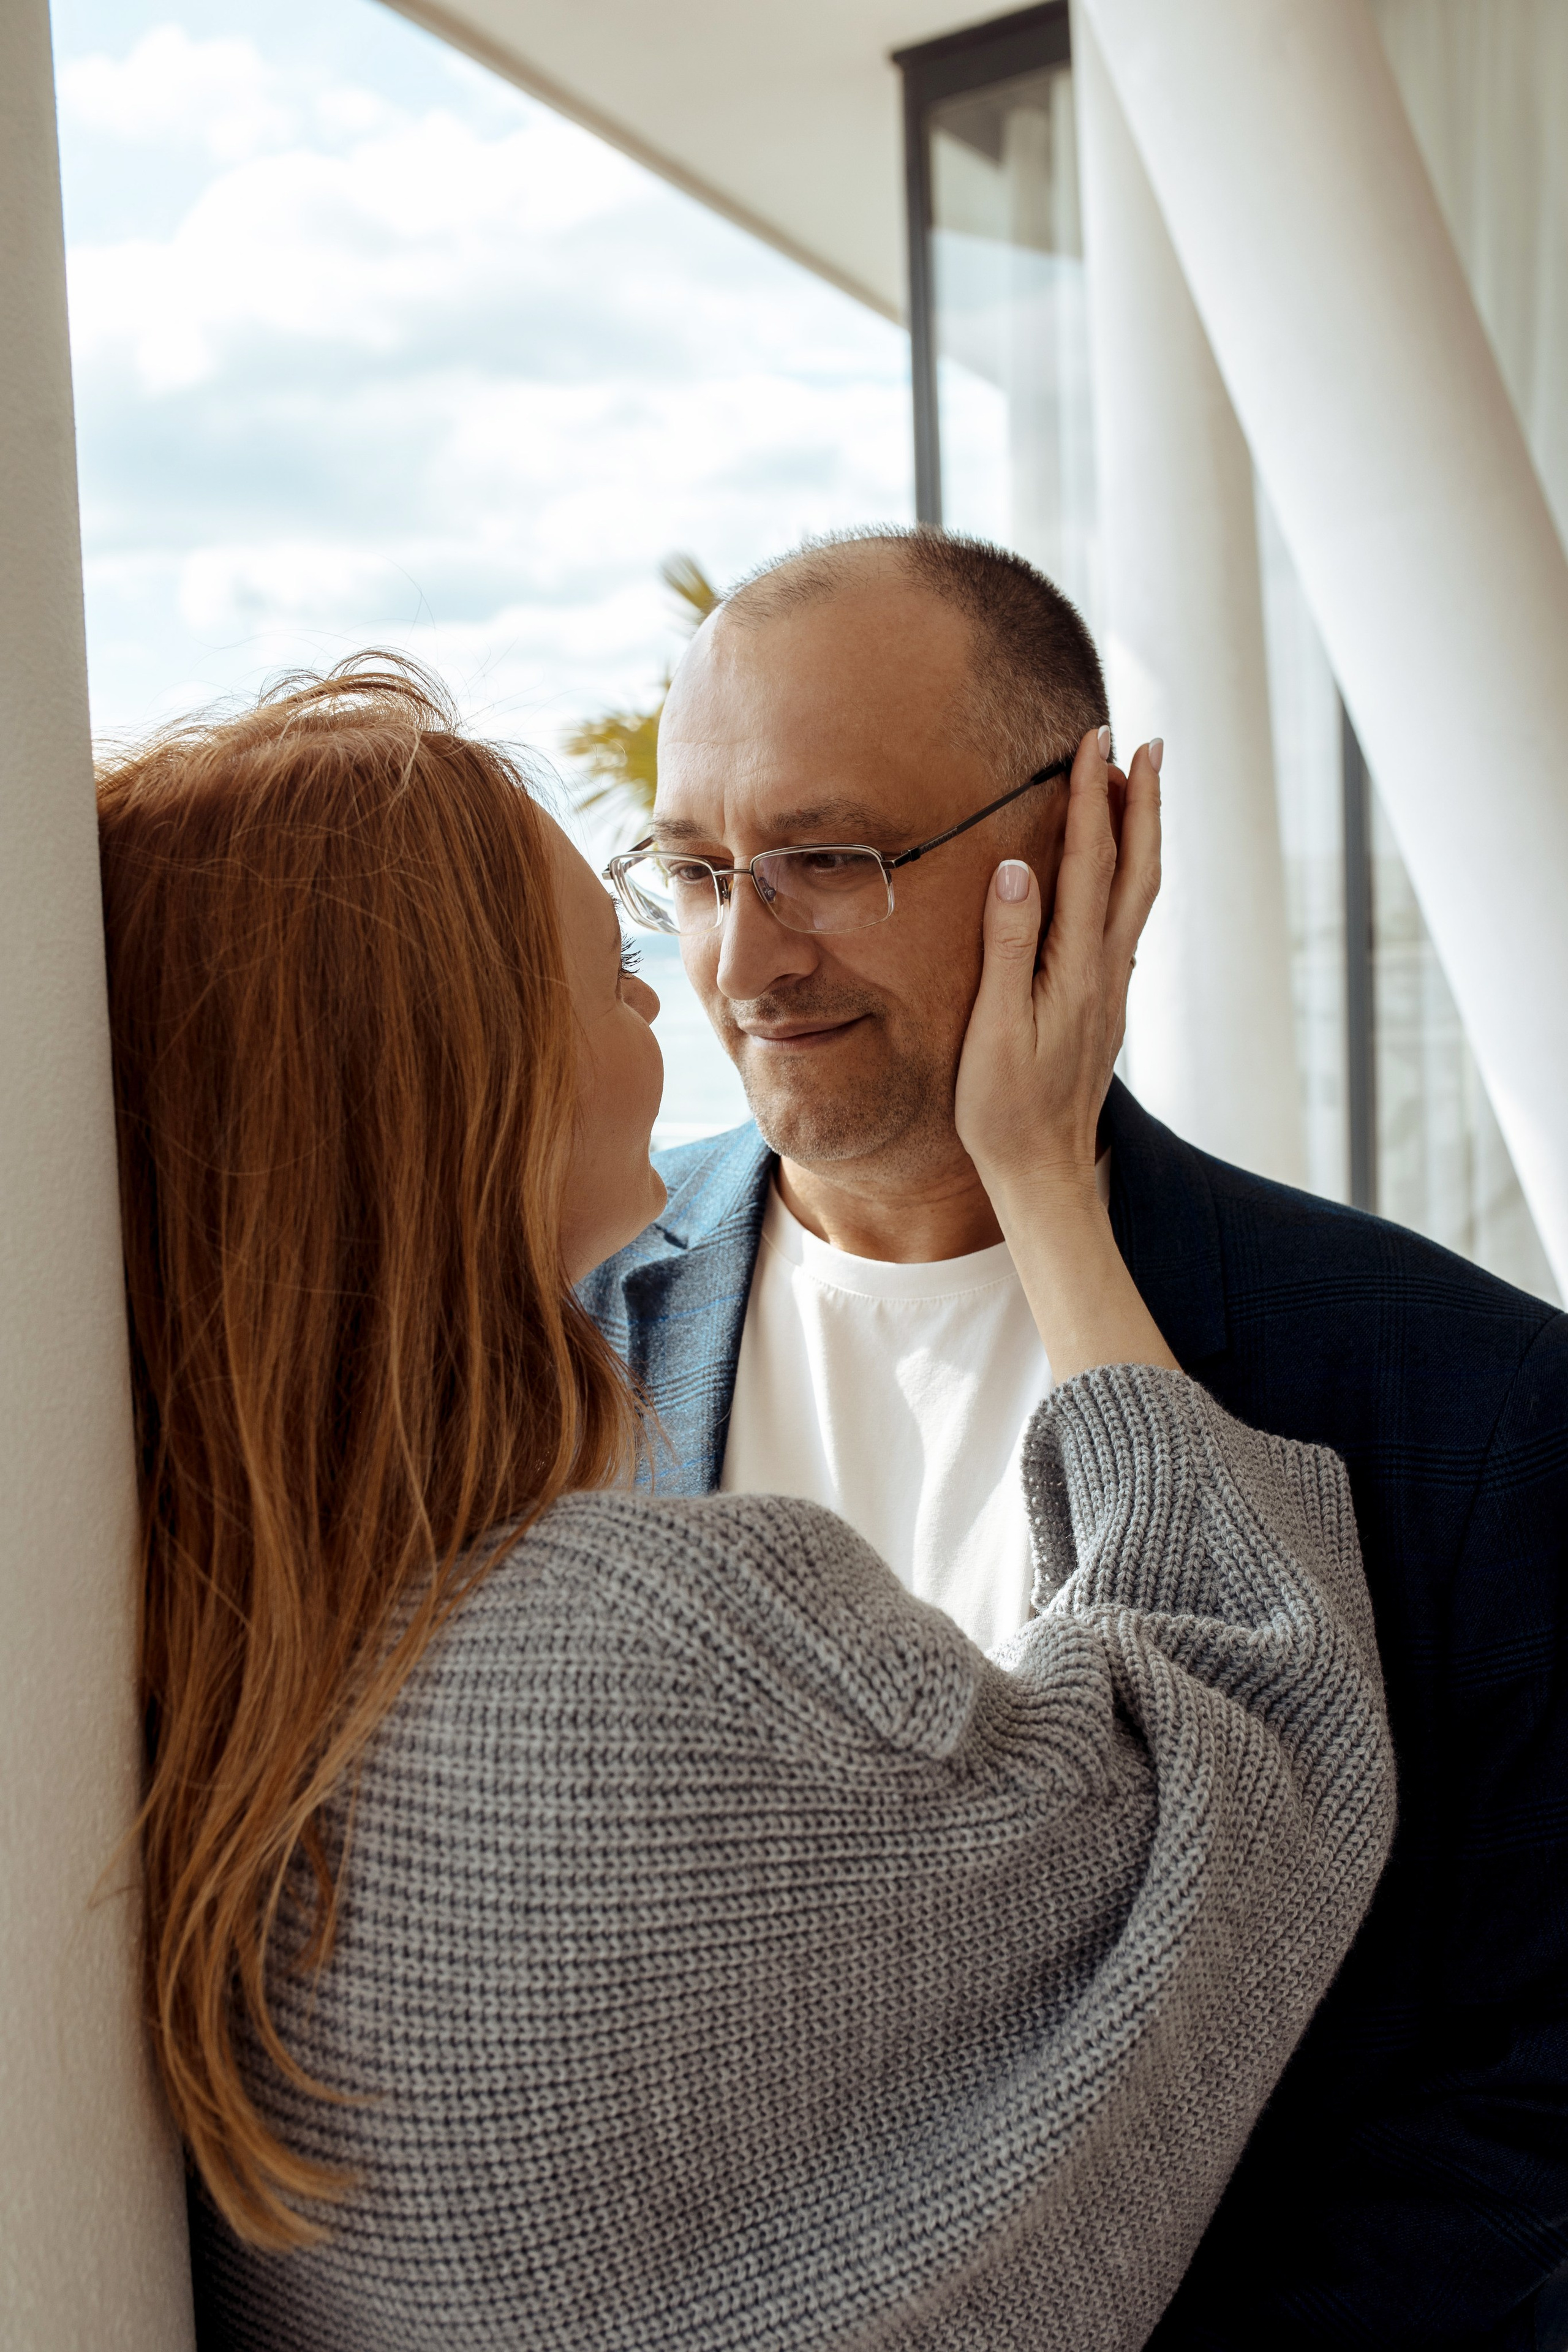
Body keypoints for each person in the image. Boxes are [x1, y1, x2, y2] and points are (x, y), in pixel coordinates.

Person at [99, 657, 1390, 2352]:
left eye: (822, 865)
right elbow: (1238, 1760)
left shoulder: (194, 1651)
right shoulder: (665, 1637)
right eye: (624, 949)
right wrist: (1047, 1179)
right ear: (439, 1081)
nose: (697, 981)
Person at [586, 526, 1568, 2348]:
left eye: (828, 857)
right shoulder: (538, 1337)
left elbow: (1530, 2102)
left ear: (1088, 841)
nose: (745, 960)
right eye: (701, 870)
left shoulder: (1473, 1408)